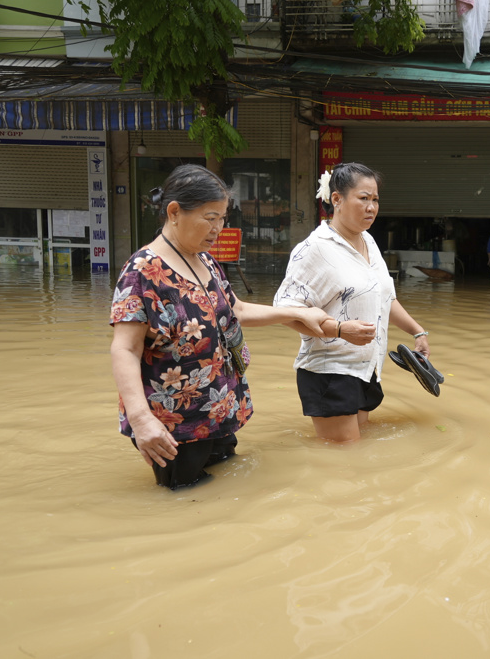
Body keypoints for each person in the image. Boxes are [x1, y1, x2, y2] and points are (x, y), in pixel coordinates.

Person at [110, 164, 330, 489]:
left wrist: (294, 314)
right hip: (175, 423)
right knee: (184, 497)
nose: (218, 229)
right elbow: (125, 349)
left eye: (223, 218)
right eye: (210, 218)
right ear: (174, 212)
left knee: (226, 488)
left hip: (219, 408)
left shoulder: (206, 261)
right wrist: (142, 420)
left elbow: (236, 310)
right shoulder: (141, 272)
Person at [273, 162, 431, 444]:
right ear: (337, 199)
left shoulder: (368, 242)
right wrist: (339, 330)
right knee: (343, 461)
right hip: (330, 372)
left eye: (375, 199)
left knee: (358, 456)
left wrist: (417, 331)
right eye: (363, 198)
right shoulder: (314, 249)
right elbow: (284, 312)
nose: (371, 207)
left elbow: (385, 298)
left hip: (366, 368)